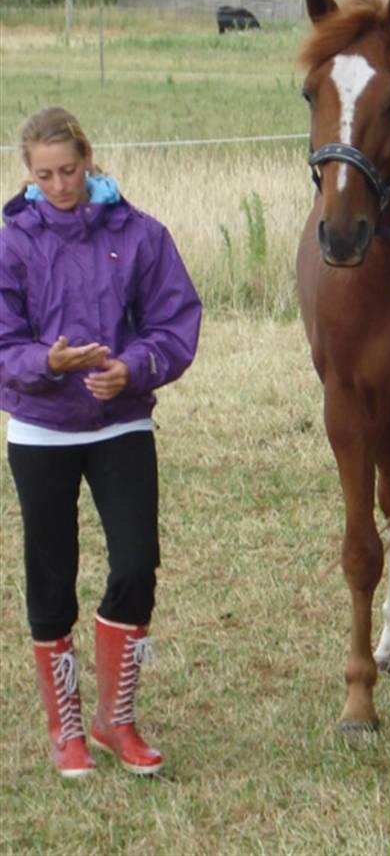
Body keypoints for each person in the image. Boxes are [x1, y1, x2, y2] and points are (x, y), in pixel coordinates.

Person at [0, 107, 202, 778]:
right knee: (51, 577)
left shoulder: (141, 234)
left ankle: (118, 720)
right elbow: (4, 344)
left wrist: (133, 367)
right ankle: (67, 732)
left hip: (121, 423)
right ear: (27, 174)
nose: (59, 185)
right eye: (44, 175)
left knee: (137, 564)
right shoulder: (11, 242)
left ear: (89, 157)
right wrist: (44, 364)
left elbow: (174, 321)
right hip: (39, 428)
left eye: (70, 170)